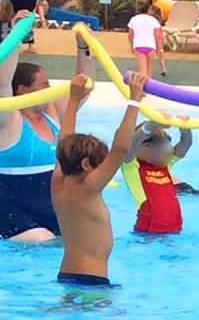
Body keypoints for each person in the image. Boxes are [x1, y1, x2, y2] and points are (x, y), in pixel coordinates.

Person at [51, 70, 145, 291]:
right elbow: (120, 150)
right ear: (86, 165)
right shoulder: (88, 187)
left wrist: (74, 99)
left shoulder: (58, 181)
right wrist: (134, 100)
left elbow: (63, 142)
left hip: (66, 275)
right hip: (91, 281)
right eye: (100, 164)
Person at [0, 46, 81, 242]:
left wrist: (83, 46)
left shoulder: (51, 114)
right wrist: (15, 37)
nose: (50, 90)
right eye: (44, 85)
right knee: (46, 248)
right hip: (15, 216)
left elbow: (85, 86)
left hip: (55, 211)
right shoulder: (3, 120)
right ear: (23, 89)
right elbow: (2, 82)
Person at [131, 121, 194, 235]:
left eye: (168, 139)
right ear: (144, 146)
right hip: (148, 235)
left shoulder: (166, 165)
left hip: (175, 232)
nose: (168, 146)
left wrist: (184, 127)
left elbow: (186, 144)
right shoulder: (133, 168)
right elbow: (130, 148)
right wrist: (149, 126)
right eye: (160, 140)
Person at [127, 0, 167, 80]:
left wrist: (131, 46)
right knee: (148, 70)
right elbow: (157, 36)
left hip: (138, 45)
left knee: (142, 70)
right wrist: (159, 48)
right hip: (150, 46)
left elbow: (130, 35)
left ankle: (141, 90)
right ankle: (147, 88)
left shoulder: (134, 19)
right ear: (148, 10)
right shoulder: (153, 20)